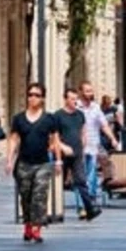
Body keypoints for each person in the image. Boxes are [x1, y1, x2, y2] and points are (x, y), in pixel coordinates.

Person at [6, 82, 62, 243]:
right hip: (23, 163)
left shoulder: (49, 119)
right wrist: (9, 160)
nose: (32, 98)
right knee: (25, 195)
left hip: (43, 163)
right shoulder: (19, 119)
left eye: (37, 95)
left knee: (39, 194)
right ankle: (28, 225)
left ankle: (37, 228)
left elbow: (55, 140)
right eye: (30, 94)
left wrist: (58, 161)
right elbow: (14, 139)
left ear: (42, 98)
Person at [54, 87, 102, 221]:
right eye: (72, 99)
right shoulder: (58, 116)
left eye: (76, 99)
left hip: (77, 153)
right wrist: (59, 156)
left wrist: (83, 145)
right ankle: (52, 210)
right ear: (65, 99)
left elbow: (83, 131)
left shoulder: (80, 115)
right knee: (59, 183)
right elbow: (54, 137)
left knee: (81, 181)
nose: (74, 102)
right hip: (63, 154)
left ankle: (90, 209)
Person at [78, 81, 118, 206]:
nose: (90, 93)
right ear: (81, 92)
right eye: (87, 91)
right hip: (79, 147)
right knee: (81, 174)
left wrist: (112, 138)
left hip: (93, 145)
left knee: (91, 174)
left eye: (91, 90)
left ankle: (89, 199)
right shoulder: (76, 107)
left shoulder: (95, 107)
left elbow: (104, 125)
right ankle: (84, 201)